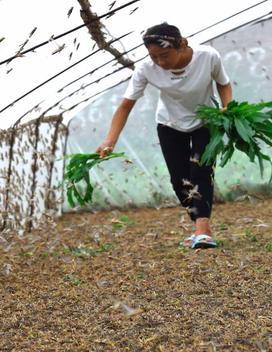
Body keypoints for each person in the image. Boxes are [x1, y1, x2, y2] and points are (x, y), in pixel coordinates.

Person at [96, 23, 232, 249]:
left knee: (201, 171)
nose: (160, 62)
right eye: (154, 56)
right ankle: (200, 227)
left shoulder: (208, 56)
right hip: (169, 123)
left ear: (182, 44)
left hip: (206, 120)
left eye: (165, 55)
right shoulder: (146, 69)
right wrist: (110, 140)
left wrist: (228, 110)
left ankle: (201, 230)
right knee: (179, 180)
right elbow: (125, 106)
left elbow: (224, 84)